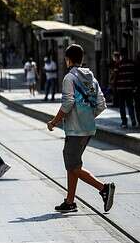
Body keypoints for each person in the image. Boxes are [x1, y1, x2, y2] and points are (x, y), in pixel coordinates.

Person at [47, 44, 115, 213]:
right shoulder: (92, 79)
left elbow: (68, 103)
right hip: (88, 129)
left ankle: (103, 188)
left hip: (74, 130)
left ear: (67, 59)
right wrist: (87, 117)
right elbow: (101, 104)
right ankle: (70, 201)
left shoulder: (69, 78)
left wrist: (54, 122)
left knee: (73, 166)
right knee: (73, 164)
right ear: (82, 59)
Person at [113, 50, 137, 128]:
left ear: (121, 55)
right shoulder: (132, 63)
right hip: (129, 87)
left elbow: (116, 76)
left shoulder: (118, 64)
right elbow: (134, 75)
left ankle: (124, 122)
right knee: (130, 105)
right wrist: (134, 86)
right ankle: (133, 120)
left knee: (122, 105)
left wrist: (114, 86)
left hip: (121, 88)